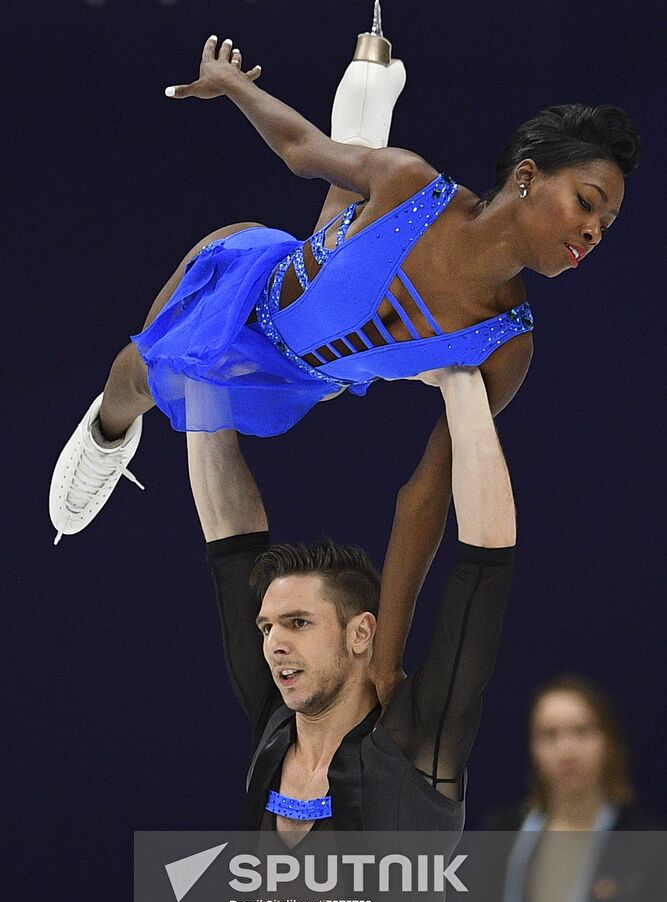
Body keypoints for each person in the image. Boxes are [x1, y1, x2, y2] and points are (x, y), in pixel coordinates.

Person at [49, 5, 639, 543]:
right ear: (529, 176)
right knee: (140, 376)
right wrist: (231, 87)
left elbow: (434, 488)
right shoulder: (415, 186)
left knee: (350, 231)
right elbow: (300, 148)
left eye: (607, 224)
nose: (594, 232)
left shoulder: (507, 340)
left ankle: (370, 88)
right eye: (587, 204)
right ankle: (107, 432)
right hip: (248, 284)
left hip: (318, 357)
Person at [189, 361, 516, 902]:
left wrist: (460, 386)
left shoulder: (417, 741)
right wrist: (200, 373)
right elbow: (228, 540)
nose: (274, 643)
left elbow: (485, 565)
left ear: (360, 633)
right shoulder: (274, 718)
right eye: (266, 628)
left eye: (299, 622)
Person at [446, 677, 667, 902]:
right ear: (532, 749)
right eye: (549, 735)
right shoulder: (502, 830)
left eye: (582, 731)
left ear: (609, 741)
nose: (566, 749)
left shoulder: (647, 845)